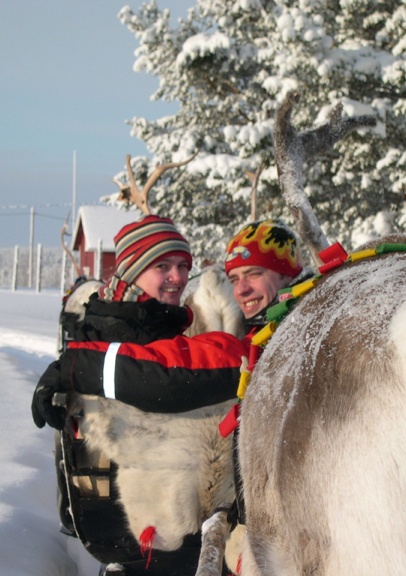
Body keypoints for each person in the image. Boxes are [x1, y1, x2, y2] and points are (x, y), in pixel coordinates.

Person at [32, 215, 248, 576]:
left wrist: (76, 364)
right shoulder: (120, 324)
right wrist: (77, 365)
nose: (178, 277)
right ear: (131, 271)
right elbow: (166, 378)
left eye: (183, 266)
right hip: (159, 532)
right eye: (162, 266)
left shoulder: (158, 322)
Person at [224, 218, 314, 329]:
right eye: (234, 280)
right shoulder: (245, 332)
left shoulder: (315, 328)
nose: (240, 290)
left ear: (287, 275)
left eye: (254, 274)